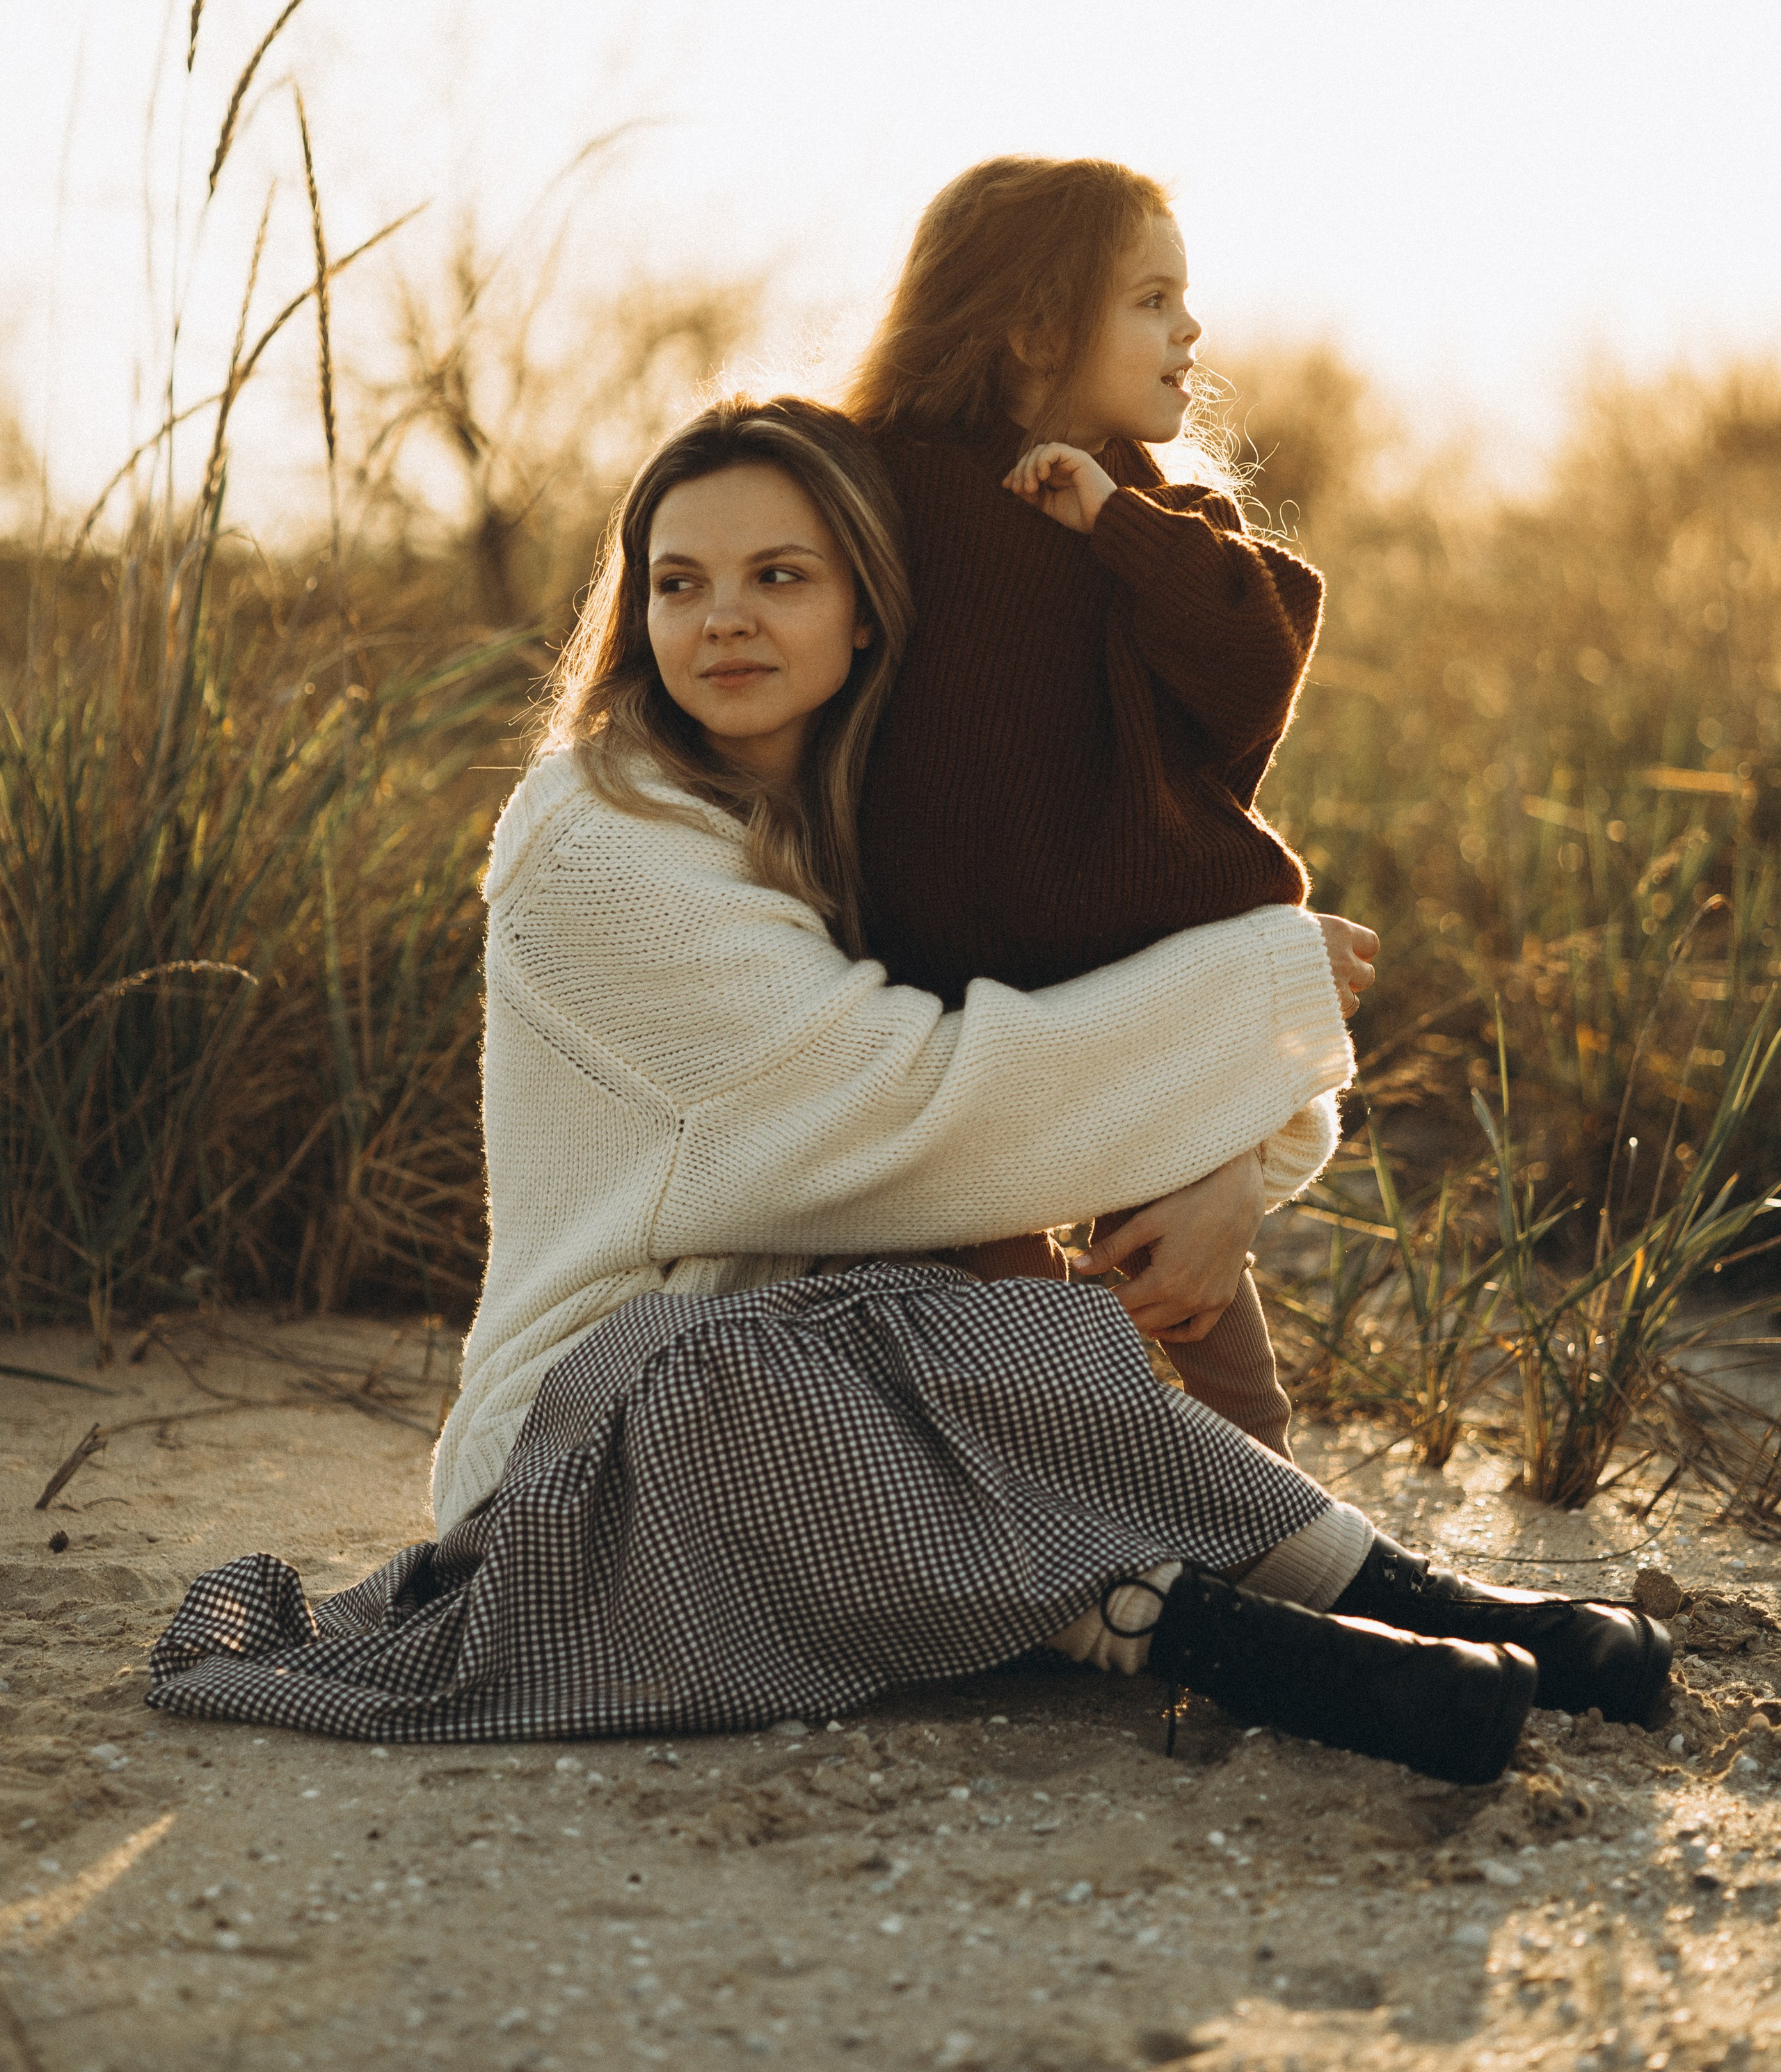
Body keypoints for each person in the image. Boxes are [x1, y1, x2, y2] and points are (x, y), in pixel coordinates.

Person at [146, 400, 1669, 1778]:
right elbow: (906, 1108)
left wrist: (1242, 1163)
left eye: (777, 577)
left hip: (861, 1418)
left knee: (933, 1317)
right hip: (591, 1456)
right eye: (677, 583)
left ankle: (1395, 1598)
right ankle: (1224, 1640)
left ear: (869, 613)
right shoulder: (595, 832)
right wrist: (1261, 992)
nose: (721, 619)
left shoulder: (849, 829)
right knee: (741, 1367)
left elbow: (1047, 1053)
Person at [845, 154, 1375, 1459]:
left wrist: (1114, 528)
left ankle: (1273, 1529)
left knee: (1209, 1335)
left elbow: (1258, 667)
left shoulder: (1162, 517)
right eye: (1150, 298)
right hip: (946, 1010)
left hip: (1141, 990)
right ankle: (1090, 1544)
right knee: (1016, 1335)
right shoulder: (886, 487)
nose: (1189, 329)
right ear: (1030, 325)